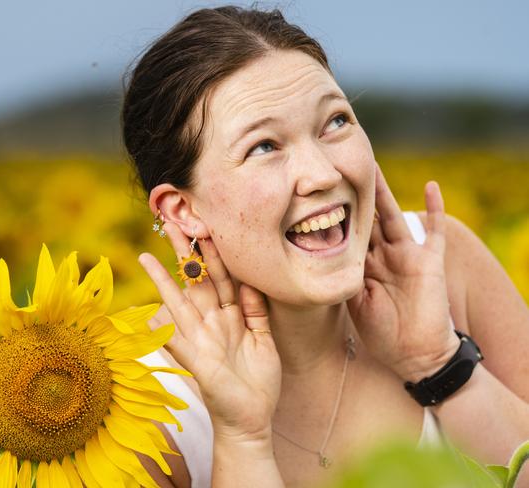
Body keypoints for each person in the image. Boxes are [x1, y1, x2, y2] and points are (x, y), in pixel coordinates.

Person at [122, 6, 529, 487]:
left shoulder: (443, 264)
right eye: (264, 147)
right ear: (181, 210)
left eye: (335, 121)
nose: (324, 174)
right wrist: (243, 439)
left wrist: (441, 364)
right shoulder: (140, 404)